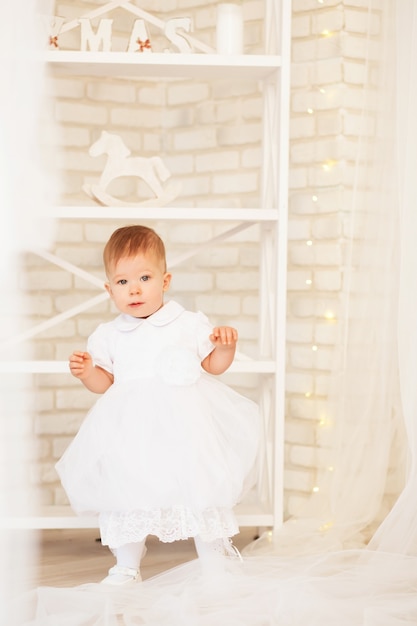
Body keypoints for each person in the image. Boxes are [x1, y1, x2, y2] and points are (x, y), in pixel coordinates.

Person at [56, 224, 260, 586]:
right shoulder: (109, 334)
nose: (134, 289)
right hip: (132, 431)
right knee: (129, 489)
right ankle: (126, 564)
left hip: (185, 427)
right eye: (122, 282)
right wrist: (88, 372)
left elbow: (211, 366)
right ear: (109, 289)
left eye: (144, 277)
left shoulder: (187, 324)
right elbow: (106, 384)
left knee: (198, 485)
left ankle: (216, 563)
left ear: (165, 281)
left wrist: (225, 348)